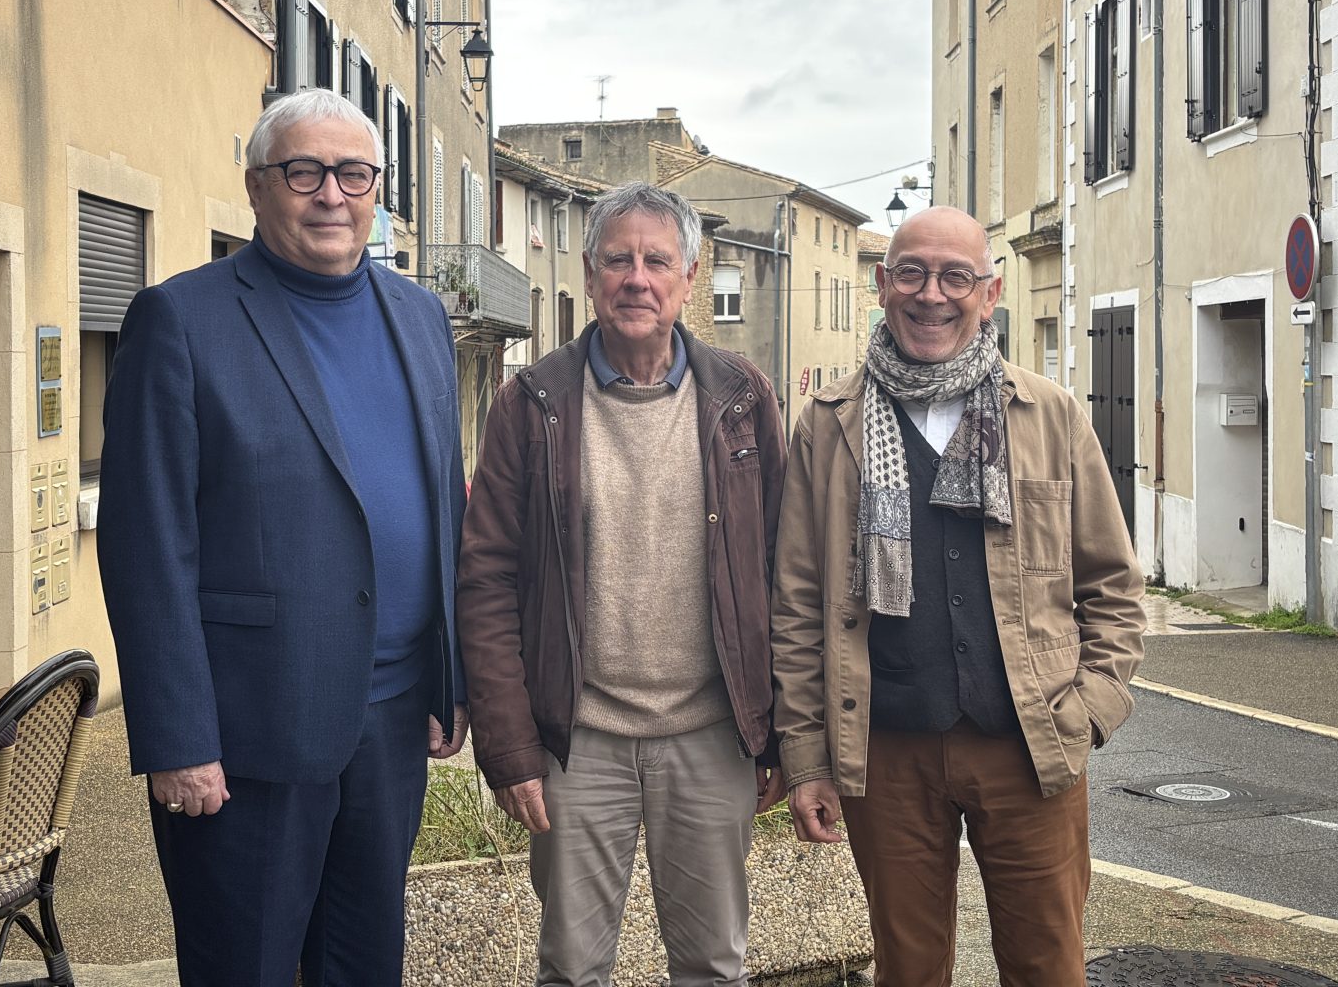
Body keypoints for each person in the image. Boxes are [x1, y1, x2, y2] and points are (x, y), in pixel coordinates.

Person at [98, 88, 468, 987]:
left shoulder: (421, 318)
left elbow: (442, 504)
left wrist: (447, 676)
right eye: (304, 172)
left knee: (365, 966)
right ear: (258, 186)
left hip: (390, 723)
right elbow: (146, 545)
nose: (331, 194)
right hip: (248, 735)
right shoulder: (180, 320)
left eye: (353, 174)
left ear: (377, 189)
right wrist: (179, 738)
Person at [771, 206, 1145, 987]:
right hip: (885, 750)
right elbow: (798, 606)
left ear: (990, 292)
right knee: (908, 971)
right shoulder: (828, 424)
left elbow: (1112, 585)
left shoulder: (1050, 415)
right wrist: (806, 759)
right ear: (882, 284)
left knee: (1048, 967)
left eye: (955, 277)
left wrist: (1090, 711)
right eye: (912, 273)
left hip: (1031, 744)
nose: (931, 294)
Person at [458, 182, 787, 987]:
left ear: (689, 277)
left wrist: (783, 737)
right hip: (578, 741)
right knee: (572, 970)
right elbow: (486, 581)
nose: (637, 278)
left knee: (713, 968)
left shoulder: (744, 399)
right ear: (589, 271)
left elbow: (785, 573)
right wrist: (511, 747)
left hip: (711, 736)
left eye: (657, 261)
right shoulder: (530, 403)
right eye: (618, 260)